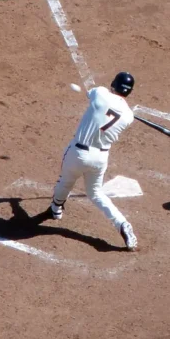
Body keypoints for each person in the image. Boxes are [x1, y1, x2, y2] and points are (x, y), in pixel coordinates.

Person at [49, 72, 138, 250]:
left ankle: (56, 209)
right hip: (100, 159)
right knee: (96, 193)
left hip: (78, 153)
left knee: (66, 181)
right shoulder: (129, 116)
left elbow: (93, 95)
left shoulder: (101, 93)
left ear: (114, 84)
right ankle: (122, 223)